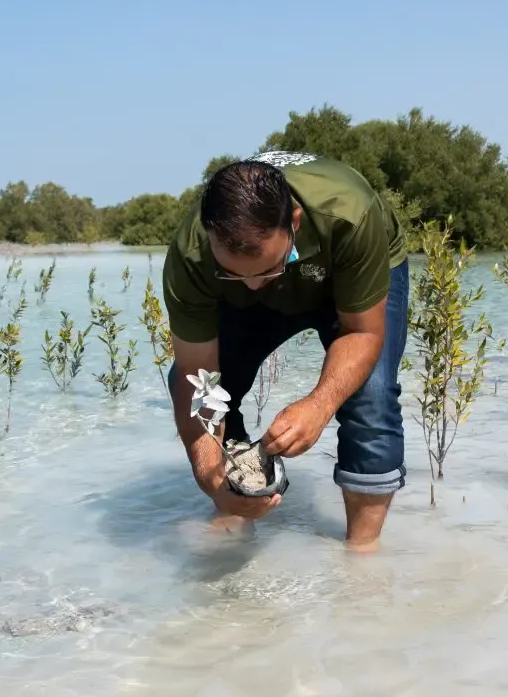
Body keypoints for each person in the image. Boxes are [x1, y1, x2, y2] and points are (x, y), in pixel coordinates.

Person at [161, 151, 410, 549]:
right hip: (251, 292)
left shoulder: (351, 214)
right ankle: (236, 504)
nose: (254, 286)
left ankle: (362, 553)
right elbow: (199, 379)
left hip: (342, 267)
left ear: (294, 221)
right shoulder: (191, 255)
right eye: (234, 272)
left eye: (267, 270)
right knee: (207, 386)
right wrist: (210, 474)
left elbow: (362, 334)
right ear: (209, 239)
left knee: (373, 397)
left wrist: (318, 404)